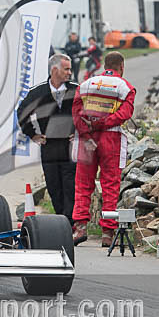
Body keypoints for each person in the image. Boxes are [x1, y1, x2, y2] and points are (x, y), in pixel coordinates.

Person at [71, 52, 136, 247]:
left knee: (83, 183)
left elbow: (75, 111)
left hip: (86, 138)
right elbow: (126, 113)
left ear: (104, 65)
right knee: (110, 184)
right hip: (111, 137)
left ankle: (80, 227)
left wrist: (87, 131)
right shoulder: (125, 87)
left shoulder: (86, 84)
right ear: (121, 66)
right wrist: (103, 123)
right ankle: (107, 233)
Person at [16, 54, 80, 240]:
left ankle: (68, 223)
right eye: (66, 69)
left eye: (70, 69)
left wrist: (78, 131)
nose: (70, 72)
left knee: (70, 184)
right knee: (53, 184)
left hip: (70, 146)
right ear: (54, 70)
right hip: (49, 145)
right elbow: (22, 112)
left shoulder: (76, 90)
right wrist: (33, 134)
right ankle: (61, 219)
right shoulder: (38, 92)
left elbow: (87, 112)